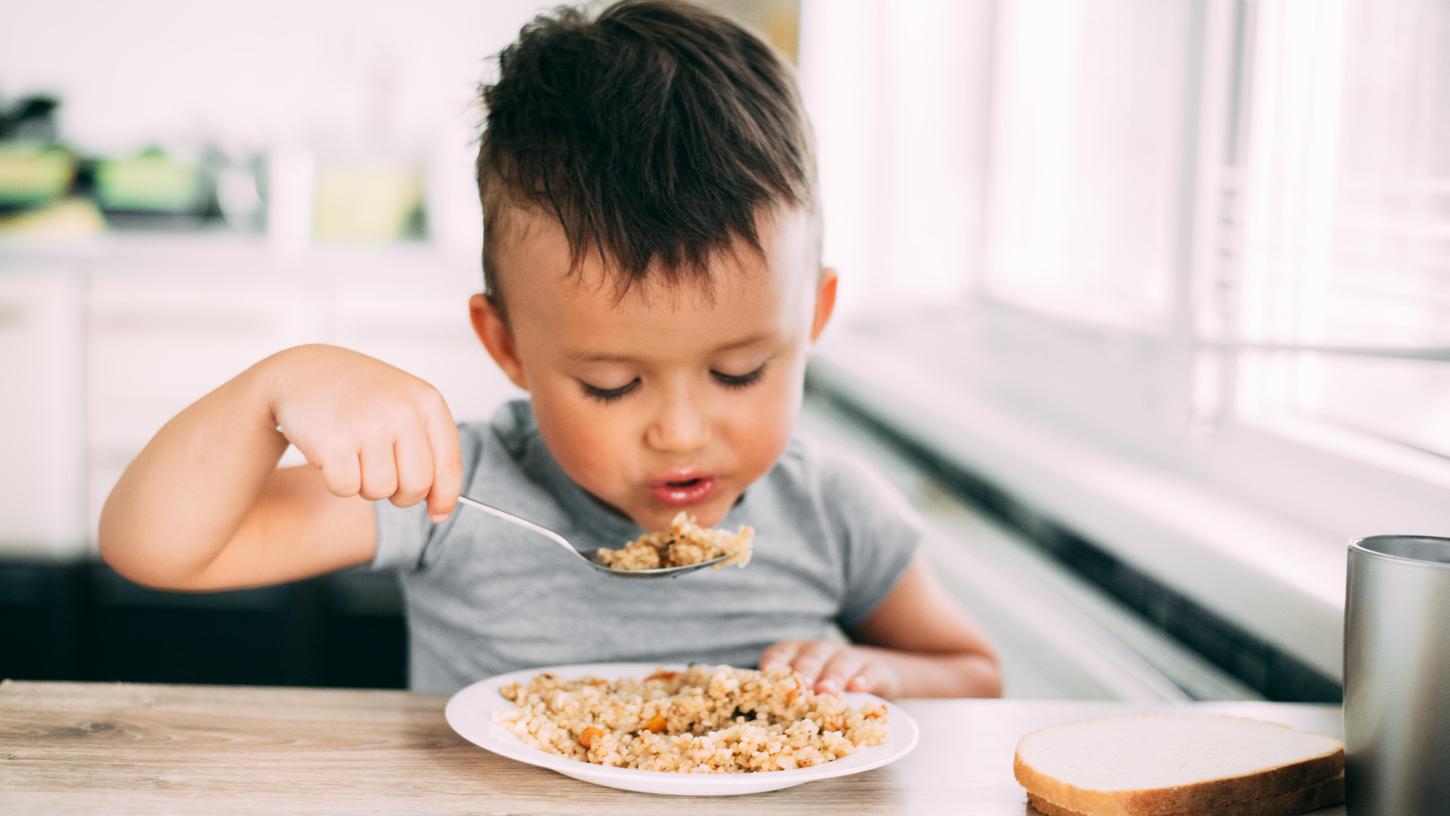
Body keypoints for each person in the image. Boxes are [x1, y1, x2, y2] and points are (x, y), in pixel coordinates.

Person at [99, 0, 1002, 698]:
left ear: (814, 316)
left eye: (740, 371)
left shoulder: (835, 511)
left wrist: (884, 676)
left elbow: (972, 672)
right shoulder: (458, 493)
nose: (682, 433)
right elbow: (157, 550)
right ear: (508, 347)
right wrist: (274, 389)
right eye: (612, 384)